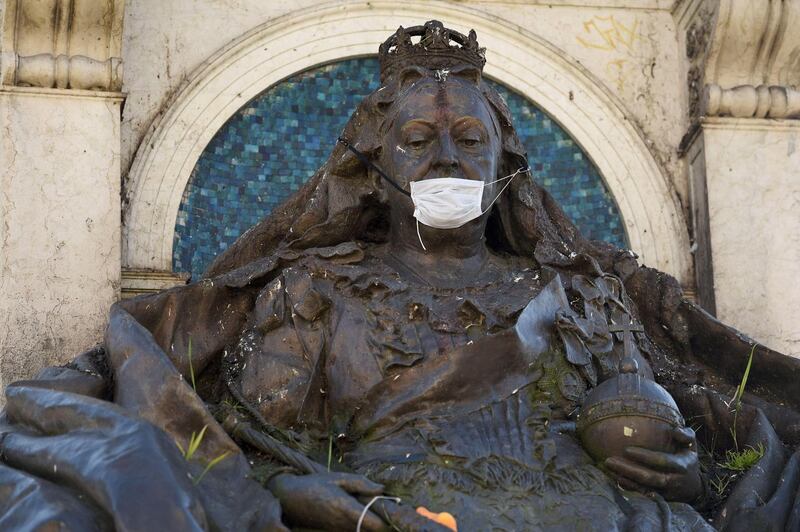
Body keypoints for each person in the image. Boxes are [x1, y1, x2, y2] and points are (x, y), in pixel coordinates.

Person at [1, 20, 799, 532]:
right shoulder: (315, 290)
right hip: (400, 516)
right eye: (418, 139)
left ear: (506, 167)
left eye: (468, 141)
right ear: (373, 169)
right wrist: (304, 497)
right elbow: (257, 447)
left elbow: (662, 429)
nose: (447, 157)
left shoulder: (582, 295)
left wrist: (683, 466)